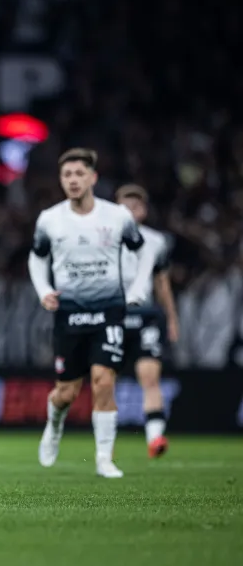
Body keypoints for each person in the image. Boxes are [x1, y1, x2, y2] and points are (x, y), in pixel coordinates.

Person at [29, 149, 155, 478]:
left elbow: (145, 253)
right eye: (66, 175)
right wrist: (44, 290)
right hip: (69, 314)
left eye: (78, 174)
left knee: (102, 381)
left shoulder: (117, 217)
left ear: (92, 178)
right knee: (66, 393)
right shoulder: (50, 219)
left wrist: (139, 288)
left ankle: (103, 459)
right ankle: (54, 424)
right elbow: (37, 258)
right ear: (61, 180)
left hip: (109, 310)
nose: (72, 180)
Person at [116, 184, 179, 458]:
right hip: (112, 316)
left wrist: (173, 319)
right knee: (104, 380)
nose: (131, 209)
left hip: (145, 316)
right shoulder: (102, 238)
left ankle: (155, 438)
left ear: (145, 209)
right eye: (126, 204)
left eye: (136, 204)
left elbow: (162, 284)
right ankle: (105, 443)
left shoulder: (156, 241)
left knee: (149, 376)